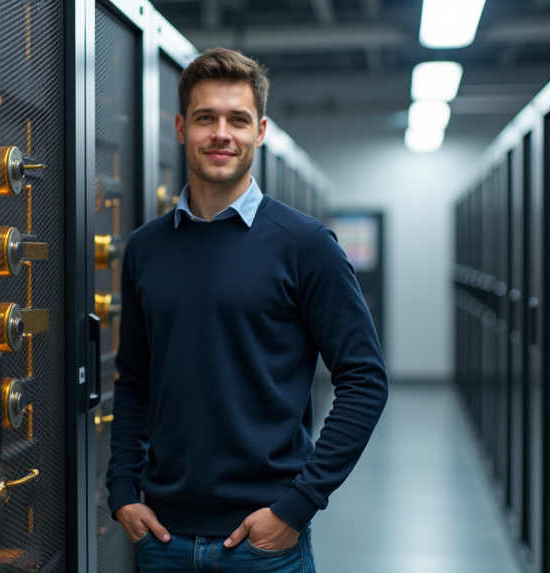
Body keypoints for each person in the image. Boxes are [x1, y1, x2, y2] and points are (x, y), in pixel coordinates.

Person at [106, 47, 388, 573]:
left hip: (263, 544)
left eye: (237, 119)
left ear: (259, 131)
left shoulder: (305, 245)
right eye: (205, 118)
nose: (221, 134)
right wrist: (122, 487)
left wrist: (298, 506)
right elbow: (135, 380)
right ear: (180, 127)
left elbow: (365, 379)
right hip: (162, 538)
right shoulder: (146, 248)